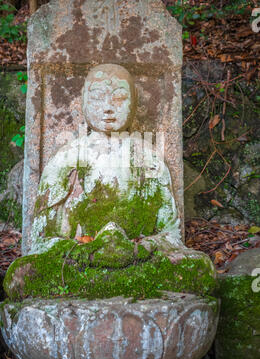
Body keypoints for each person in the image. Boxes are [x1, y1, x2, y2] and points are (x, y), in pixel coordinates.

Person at [30, 64, 181, 254]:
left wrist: (141, 249)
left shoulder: (149, 158)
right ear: (83, 100)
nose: (108, 107)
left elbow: (172, 235)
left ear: (134, 100)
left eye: (119, 97)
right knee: (25, 272)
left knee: (199, 268)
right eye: (97, 97)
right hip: (79, 259)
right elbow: (40, 242)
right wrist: (84, 252)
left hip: (137, 257)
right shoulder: (66, 159)